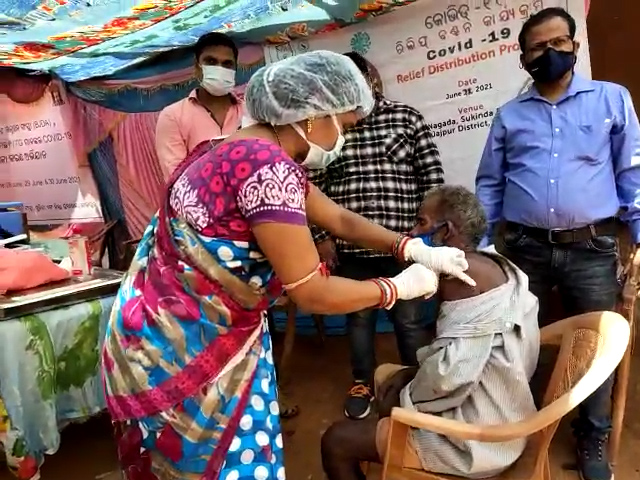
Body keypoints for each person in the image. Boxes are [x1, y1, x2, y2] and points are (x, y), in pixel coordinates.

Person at [102, 50, 475, 480]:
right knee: (222, 464)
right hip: (193, 350)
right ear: (314, 115)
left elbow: (337, 218)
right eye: (346, 125)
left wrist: (409, 248)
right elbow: (312, 292)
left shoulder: (227, 149)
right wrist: (397, 288)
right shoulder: (267, 170)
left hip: (149, 335)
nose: (344, 139)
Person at [475, 7, 640, 480]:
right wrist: (484, 245)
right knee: (517, 343)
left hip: (592, 250)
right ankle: (517, 430)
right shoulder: (508, 115)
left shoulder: (611, 99)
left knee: (595, 348)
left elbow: (631, 172)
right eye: (538, 48)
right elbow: (490, 185)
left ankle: (592, 438)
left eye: (558, 43)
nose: (549, 53)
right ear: (523, 58)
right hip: (524, 250)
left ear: (575, 45)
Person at [321, 185, 540, 480]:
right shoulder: (492, 263)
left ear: (445, 231)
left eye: (421, 222)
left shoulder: (461, 280)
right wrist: (412, 376)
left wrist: (405, 396)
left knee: (336, 441)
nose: (411, 233)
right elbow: (461, 358)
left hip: (477, 440)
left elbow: (450, 376)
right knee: (394, 384)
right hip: (506, 408)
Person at [309, 51, 445, 420]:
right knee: (358, 317)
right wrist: (322, 236)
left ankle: (418, 387)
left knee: (410, 320)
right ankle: (362, 382)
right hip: (351, 249)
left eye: (361, 78)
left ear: (373, 78)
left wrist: (428, 224)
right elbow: (313, 187)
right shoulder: (331, 128)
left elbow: (431, 176)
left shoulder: (406, 117)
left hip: (405, 245)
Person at [155, 32, 243, 180]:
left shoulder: (250, 112)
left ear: (235, 69)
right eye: (211, 61)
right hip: (198, 200)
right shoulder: (173, 116)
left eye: (227, 64)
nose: (219, 69)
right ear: (197, 67)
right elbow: (177, 179)